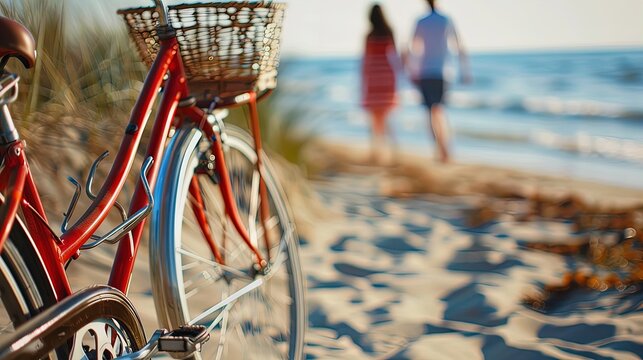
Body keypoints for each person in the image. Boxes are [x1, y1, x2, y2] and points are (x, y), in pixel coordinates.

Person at [407, 0, 471, 163]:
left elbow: (413, 48)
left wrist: (412, 71)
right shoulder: (446, 19)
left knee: (430, 113)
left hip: (425, 72)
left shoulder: (421, 21)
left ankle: (439, 150)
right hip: (442, 72)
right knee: (440, 111)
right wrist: (465, 71)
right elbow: (459, 45)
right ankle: (446, 150)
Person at [361, 4, 399, 164]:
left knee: (375, 117)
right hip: (387, 74)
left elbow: (366, 58)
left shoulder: (369, 35)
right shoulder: (389, 32)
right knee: (385, 116)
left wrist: (364, 80)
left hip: (374, 75)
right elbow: (395, 55)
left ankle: (376, 152)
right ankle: (393, 151)